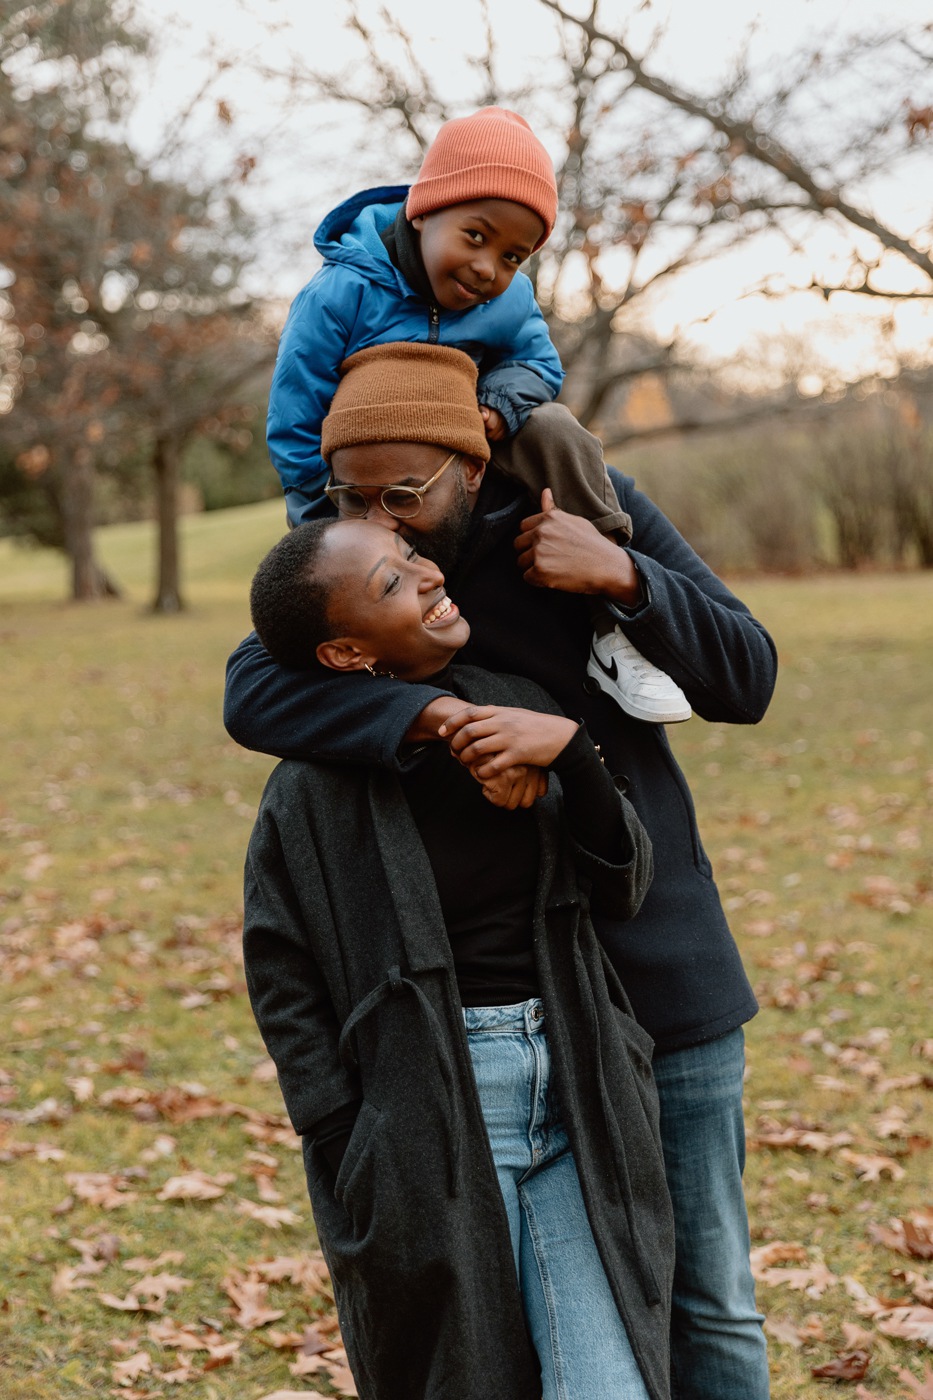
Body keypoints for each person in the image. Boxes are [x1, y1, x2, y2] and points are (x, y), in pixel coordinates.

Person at [226, 341, 778, 1400]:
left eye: (402, 492)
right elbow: (256, 692)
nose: (379, 521)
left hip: (653, 955)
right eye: (351, 495)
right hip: (502, 998)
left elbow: (747, 673)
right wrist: (439, 712)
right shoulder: (360, 568)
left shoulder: (587, 504)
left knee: (709, 1303)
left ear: (474, 461)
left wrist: (622, 573)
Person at [243, 514, 675, 1400]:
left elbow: (621, 886)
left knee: (609, 1384)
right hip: (428, 1110)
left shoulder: (517, 700)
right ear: (346, 655)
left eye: (412, 559)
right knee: (461, 1375)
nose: (428, 577)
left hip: (577, 1086)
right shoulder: (309, 788)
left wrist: (573, 759)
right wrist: (342, 1132)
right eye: (392, 585)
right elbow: (278, 968)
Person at [268, 104, 689, 722]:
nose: (489, 267)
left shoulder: (511, 300)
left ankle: (610, 622)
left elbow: (539, 366)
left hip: (471, 438)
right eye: (476, 235)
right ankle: (378, 675)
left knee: (555, 426)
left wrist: (497, 403)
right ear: (425, 209)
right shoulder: (344, 289)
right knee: (364, 574)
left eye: (514, 256)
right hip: (372, 469)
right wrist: (324, 521)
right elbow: (296, 410)